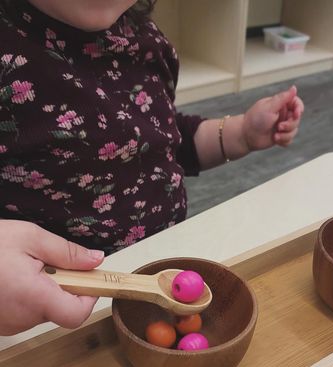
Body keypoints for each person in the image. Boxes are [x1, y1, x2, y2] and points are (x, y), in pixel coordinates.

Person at [0, 0, 304, 335]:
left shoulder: (145, 40)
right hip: (50, 311)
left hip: (164, 271)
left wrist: (240, 134)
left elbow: (159, 141)